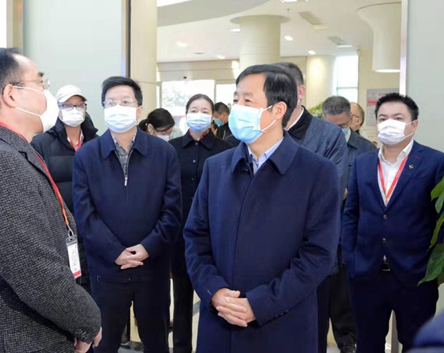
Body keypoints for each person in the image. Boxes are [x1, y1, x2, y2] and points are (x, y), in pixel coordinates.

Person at [0, 48, 101, 353]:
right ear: (11, 95)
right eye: (40, 84)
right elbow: (34, 271)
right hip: (14, 340)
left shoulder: (2, 150)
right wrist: (88, 321)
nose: (46, 93)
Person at [184, 64, 340, 353]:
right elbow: (196, 237)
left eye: (248, 100)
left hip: (282, 326)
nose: (237, 108)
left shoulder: (317, 172)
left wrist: (260, 304)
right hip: (220, 322)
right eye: (235, 99)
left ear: (278, 110)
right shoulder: (217, 168)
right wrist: (214, 291)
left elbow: (318, 255)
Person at [72, 76, 182, 353]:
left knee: (157, 342)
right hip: (106, 269)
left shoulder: (164, 153)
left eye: (125, 101)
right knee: (104, 343)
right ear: (103, 109)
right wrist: (115, 252)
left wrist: (147, 248)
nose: (118, 107)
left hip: (152, 267)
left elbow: (171, 212)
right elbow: (85, 215)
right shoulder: (87, 156)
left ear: (139, 109)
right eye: (111, 103)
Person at [343, 93, 444, 353]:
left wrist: (433, 269)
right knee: (368, 344)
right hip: (367, 273)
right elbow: (351, 214)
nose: (389, 123)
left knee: (416, 345)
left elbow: (440, 221)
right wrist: (351, 260)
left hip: (415, 275)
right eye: (383, 118)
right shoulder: (363, 163)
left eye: (398, 118)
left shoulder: (435, 162)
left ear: (414, 124)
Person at [274, 61, 348, 353]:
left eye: (281, 89)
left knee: (309, 337)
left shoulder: (328, 135)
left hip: (310, 259)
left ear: (300, 92)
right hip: (262, 261)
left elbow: (331, 195)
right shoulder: (258, 132)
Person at [168, 94, 231, 353]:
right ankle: (181, 348)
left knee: (213, 294)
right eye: (194, 109)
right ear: (186, 113)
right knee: (181, 298)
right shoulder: (171, 149)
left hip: (213, 234)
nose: (199, 114)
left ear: (212, 115)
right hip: (179, 234)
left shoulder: (226, 149)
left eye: (205, 110)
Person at [322, 95, 376, 353]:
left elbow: (375, 192)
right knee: (318, 291)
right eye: (330, 126)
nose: (336, 132)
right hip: (320, 231)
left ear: (351, 121)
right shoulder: (313, 145)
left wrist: (350, 193)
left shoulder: (366, 150)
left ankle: (347, 341)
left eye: (342, 126)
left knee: (345, 293)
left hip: (350, 233)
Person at [31, 84, 98, 294]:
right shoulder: (41, 143)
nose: (74, 110)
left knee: (94, 287)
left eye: (79, 105)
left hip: (93, 226)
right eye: (67, 105)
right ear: (57, 108)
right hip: (60, 228)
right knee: (67, 287)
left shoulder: (96, 143)